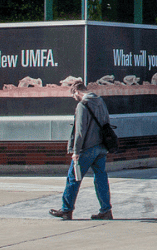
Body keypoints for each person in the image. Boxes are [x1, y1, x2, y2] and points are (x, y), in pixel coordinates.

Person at [49, 82, 114, 220]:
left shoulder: (82, 105)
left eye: (73, 95)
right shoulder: (100, 101)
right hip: (101, 147)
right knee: (101, 178)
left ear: (77, 91)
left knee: (73, 177)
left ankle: (66, 210)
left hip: (86, 148)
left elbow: (80, 131)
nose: (74, 98)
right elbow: (107, 122)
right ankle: (106, 210)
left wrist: (76, 152)